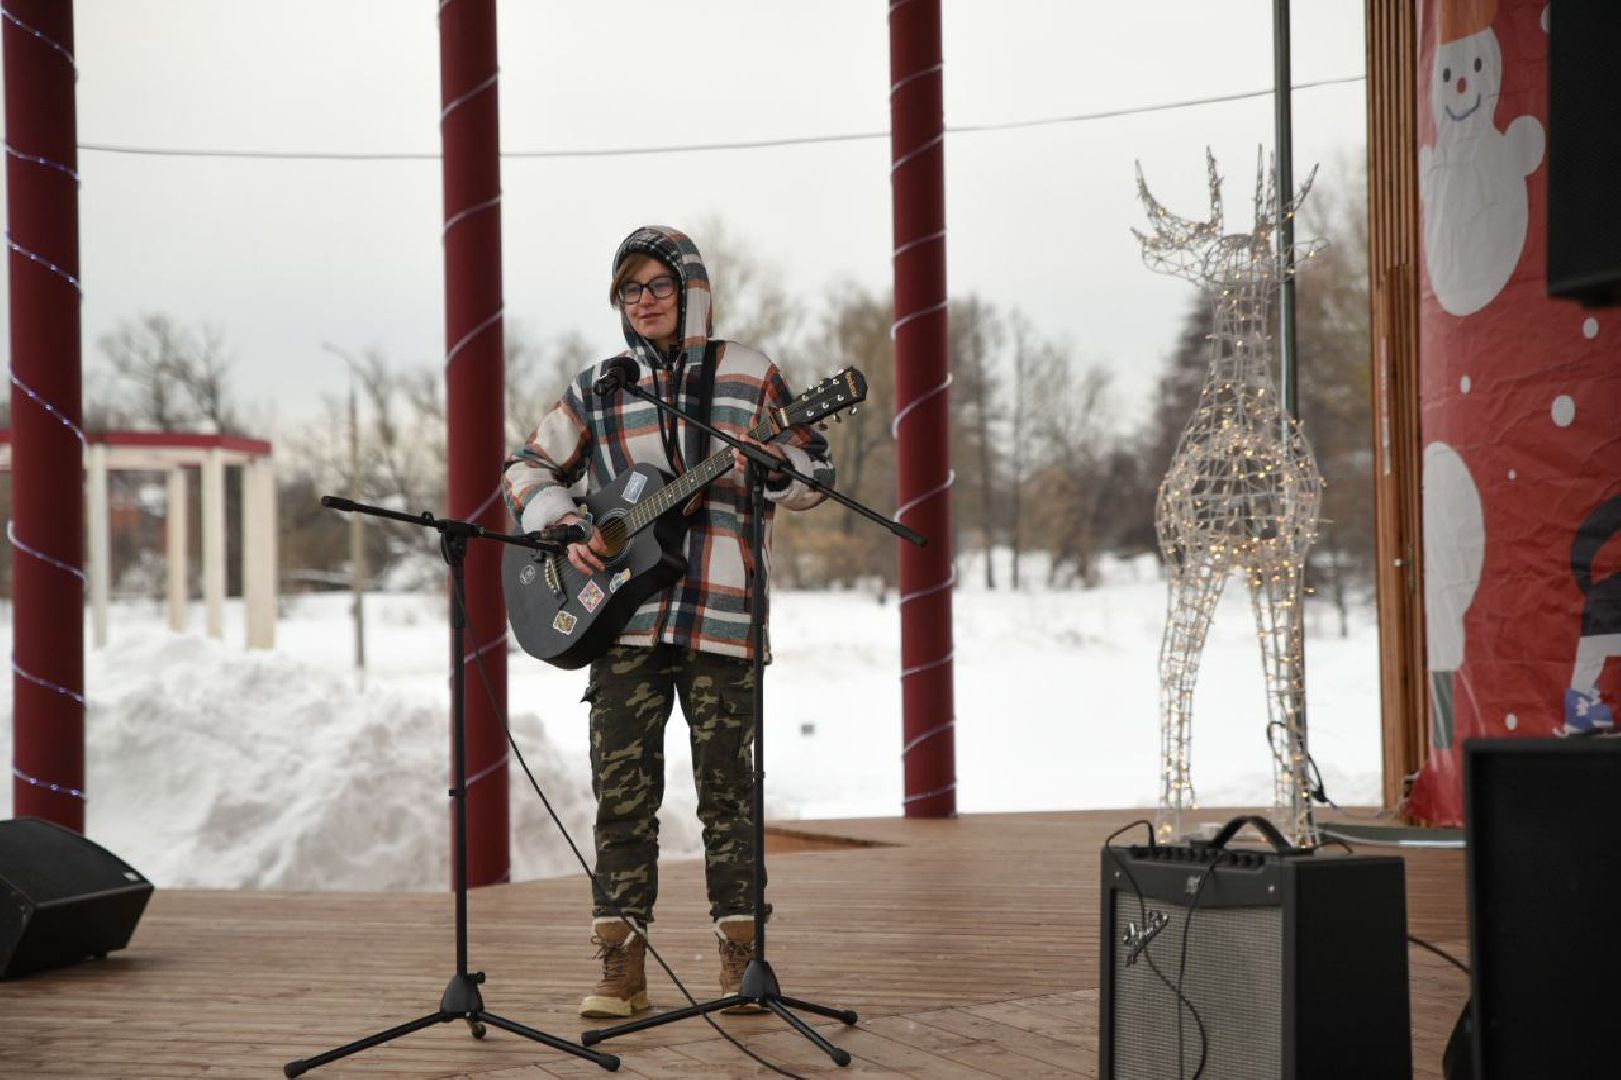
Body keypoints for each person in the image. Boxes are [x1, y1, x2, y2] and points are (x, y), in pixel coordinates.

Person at [501, 225, 834, 1019]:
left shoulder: (748, 375)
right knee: (622, 797)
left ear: (691, 292)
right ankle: (621, 968)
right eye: (629, 290)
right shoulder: (599, 387)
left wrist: (780, 469)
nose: (644, 301)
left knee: (729, 794)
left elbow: (815, 473)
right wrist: (567, 525)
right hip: (622, 622)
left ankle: (741, 959)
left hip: (721, 619)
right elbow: (526, 465)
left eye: (658, 286)